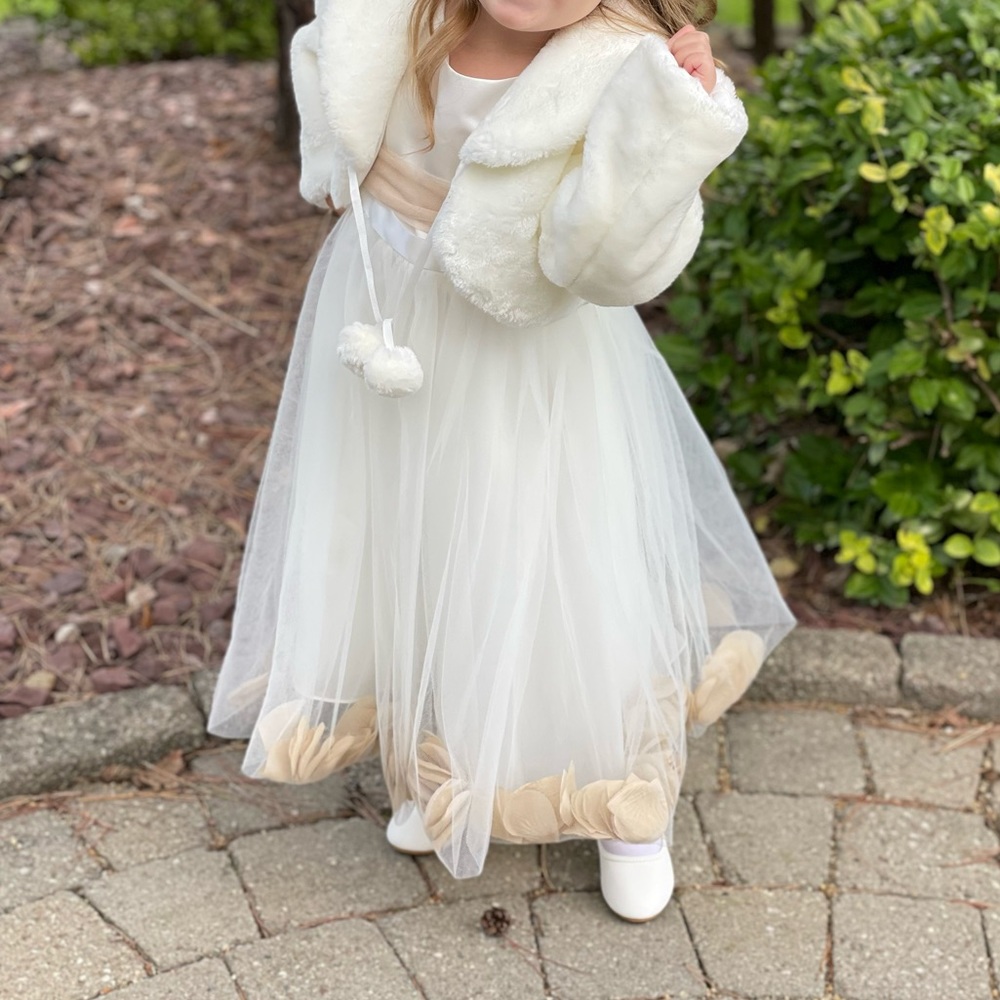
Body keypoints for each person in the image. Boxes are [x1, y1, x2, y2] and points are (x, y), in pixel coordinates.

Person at [206, 0, 796, 923]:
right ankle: (447, 763)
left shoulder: (616, 63)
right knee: (421, 537)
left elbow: (618, 259)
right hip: (389, 317)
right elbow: (338, 110)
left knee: (558, 553)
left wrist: (673, 118)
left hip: (526, 353)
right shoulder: (399, 22)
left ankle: (623, 803)